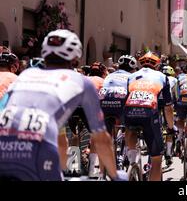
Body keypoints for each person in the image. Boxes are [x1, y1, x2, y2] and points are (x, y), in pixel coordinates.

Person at [0, 29, 126, 181]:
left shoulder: (24, 76)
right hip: (38, 151)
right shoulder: (82, 82)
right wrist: (115, 175)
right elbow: (101, 139)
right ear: (75, 59)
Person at [125, 51, 174, 181]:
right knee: (156, 159)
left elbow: (126, 98)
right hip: (149, 113)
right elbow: (168, 107)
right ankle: (137, 167)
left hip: (130, 111)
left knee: (131, 129)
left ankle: (133, 162)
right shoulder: (162, 77)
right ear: (157, 65)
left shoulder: (131, 76)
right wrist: (171, 127)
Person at [161, 64, 178, 166]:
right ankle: (168, 153)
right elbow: (176, 95)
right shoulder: (174, 80)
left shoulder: (159, 77)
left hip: (157, 103)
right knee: (170, 128)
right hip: (168, 103)